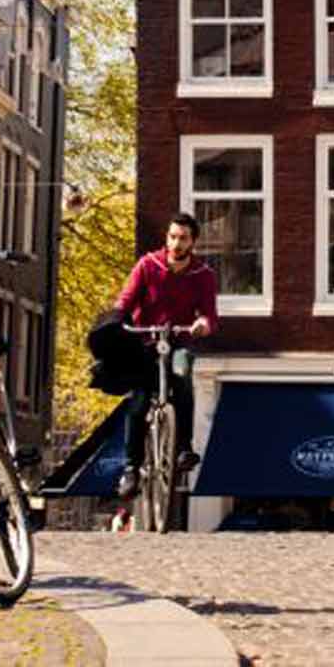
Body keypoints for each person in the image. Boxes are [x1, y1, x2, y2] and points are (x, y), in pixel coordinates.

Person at [113, 211, 217, 500]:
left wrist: (203, 324)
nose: (176, 243)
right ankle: (131, 468)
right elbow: (125, 300)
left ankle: (184, 447)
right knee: (138, 401)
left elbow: (209, 314)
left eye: (183, 238)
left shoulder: (203, 275)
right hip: (145, 341)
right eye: (172, 237)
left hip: (179, 341)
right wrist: (117, 320)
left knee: (183, 379)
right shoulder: (148, 266)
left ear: (193, 242)